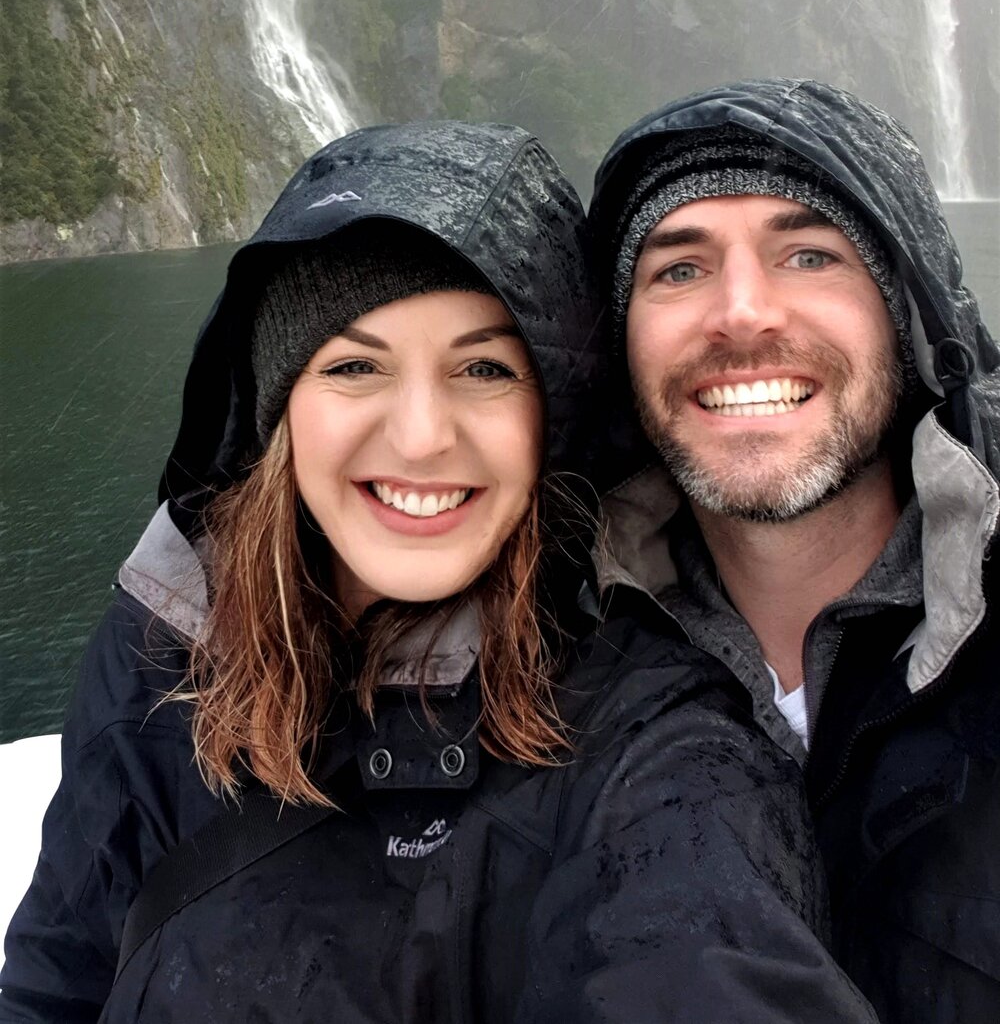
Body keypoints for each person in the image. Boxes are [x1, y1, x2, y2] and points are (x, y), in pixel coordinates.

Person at [0, 119, 873, 1023]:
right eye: (353, 365)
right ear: (280, 409)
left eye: (485, 368)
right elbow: (59, 970)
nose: (420, 436)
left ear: (553, 415)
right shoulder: (169, 633)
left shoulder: (642, 734)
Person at [589, 78, 1000, 1022]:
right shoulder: (545, 675)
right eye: (678, 268)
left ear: (908, 312)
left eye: (810, 253)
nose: (742, 313)